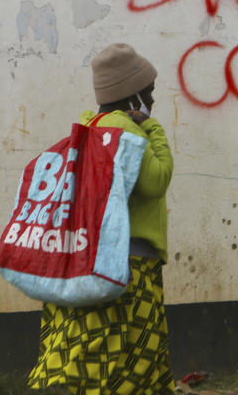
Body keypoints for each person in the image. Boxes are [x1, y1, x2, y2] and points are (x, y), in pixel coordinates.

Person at [28, 43, 176, 394]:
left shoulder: (91, 126)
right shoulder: (127, 129)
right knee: (130, 355)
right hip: (129, 263)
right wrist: (154, 130)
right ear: (132, 93)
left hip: (90, 259)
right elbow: (157, 180)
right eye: (149, 93)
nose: (152, 102)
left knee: (95, 348)